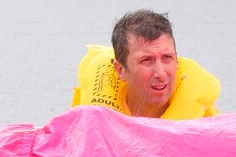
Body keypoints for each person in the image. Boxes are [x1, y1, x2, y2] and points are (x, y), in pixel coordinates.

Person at [73, 9, 222, 118]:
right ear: (121, 70)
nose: (161, 73)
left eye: (167, 58)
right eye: (147, 60)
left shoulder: (204, 121)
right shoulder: (91, 117)